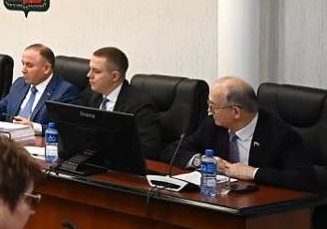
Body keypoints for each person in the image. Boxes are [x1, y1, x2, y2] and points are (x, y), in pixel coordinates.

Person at [163, 77, 317, 192]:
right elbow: (171, 151)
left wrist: (253, 173)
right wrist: (203, 161)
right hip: (224, 200)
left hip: (265, 209)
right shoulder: (212, 125)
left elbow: (305, 179)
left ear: (235, 111)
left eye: (213, 107)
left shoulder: (280, 135)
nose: (209, 111)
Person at [0, 44, 81, 133]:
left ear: (46, 69)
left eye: (29, 65)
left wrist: (34, 127)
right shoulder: (20, 84)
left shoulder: (65, 92)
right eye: (23, 64)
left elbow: (67, 130)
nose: (23, 70)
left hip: (38, 147)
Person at [84, 46, 161, 160]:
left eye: (97, 71)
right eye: (90, 69)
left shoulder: (140, 105)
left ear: (115, 76)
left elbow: (148, 149)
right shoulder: (91, 95)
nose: (89, 75)